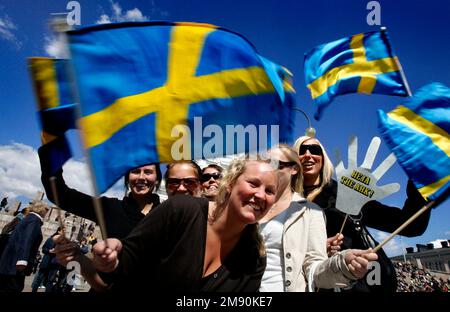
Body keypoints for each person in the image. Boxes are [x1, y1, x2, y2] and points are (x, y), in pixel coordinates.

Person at [54, 157, 278, 292]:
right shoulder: (179, 211)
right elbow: (119, 274)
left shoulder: (254, 256)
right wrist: (108, 260)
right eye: (253, 184)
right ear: (229, 185)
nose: (260, 195)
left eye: (270, 191)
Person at [293, 136, 431, 292]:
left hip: (364, 284)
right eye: (302, 150)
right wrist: (320, 248)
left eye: (315, 150)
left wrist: (420, 179)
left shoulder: (345, 193)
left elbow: (410, 225)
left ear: (323, 158)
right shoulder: (285, 201)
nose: (308, 154)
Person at [259, 145, 378, 292]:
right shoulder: (250, 202)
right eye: (264, 163)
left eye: (275, 163)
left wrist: (342, 265)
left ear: (294, 168)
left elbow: (314, 267)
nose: (268, 168)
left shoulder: (311, 211)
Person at [39, 144, 162, 239]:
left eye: (148, 172)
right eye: (135, 171)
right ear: (127, 178)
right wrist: (50, 148)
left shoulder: (168, 214)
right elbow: (60, 194)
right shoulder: (109, 208)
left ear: (157, 179)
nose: (141, 177)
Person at [0, 203, 48, 292]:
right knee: (14, 287)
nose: (47, 212)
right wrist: (23, 259)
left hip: (11, 261)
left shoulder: (29, 218)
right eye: (46, 209)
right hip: (16, 264)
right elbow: (27, 239)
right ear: (41, 209)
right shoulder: (34, 220)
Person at [31, 228, 63, 292]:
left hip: (55, 264)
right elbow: (43, 249)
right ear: (58, 231)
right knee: (39, 278)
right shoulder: (50, 239)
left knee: (50, 281)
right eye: (63, 231)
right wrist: (49, 251)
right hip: (46, 262)